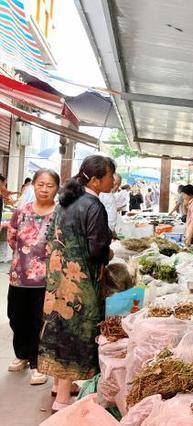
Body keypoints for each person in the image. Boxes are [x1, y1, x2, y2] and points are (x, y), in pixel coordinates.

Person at [38, 155, 115, 413]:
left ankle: (60, 384)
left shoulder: (65, 202)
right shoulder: (93, 205)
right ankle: (62, 400)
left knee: (58, 328)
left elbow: (51, 237)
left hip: (58, 278)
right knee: (76, 333)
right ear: (95, 179)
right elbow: (97, 249)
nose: (112, 180)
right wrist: (108, 254)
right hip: (80, 283)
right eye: (109, 176)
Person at [7, 169, 59, 386]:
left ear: (57, 188)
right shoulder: (22, 211)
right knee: (17, 317)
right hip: (19, 276)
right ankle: (22, 355)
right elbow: (12, 237)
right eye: (40, 184)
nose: (44, 189)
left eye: (50, 185)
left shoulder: (59, 213)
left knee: (40, 321)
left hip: (45, 280)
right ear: (33, 186)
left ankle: (39, 364)